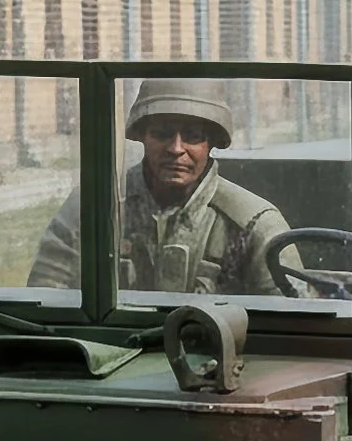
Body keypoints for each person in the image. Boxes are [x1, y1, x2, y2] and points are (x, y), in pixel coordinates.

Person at [28, 79, 298, 296]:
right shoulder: (93, 207)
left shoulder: (252, 225)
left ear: (211, 143)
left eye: (193, 137)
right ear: (142, 136)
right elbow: (46, 295)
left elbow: (293, 325)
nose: (176, 149)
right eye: (162, 134)